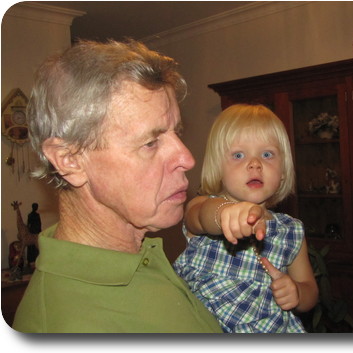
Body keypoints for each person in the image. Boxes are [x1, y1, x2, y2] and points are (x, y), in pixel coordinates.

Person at [13, 39, 222, 333]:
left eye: (177, 132)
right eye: (150, 142)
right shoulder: (68, 327)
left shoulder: (139, 251)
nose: (187, 158)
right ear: (70, 159)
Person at [173, 104, 319, 333]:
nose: (254, 164)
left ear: (282, 173)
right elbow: (201, 217)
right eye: (238, 155)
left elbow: (310, 289)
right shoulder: (203, 206)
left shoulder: (291, 231)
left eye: (267, 154)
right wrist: (223, 214)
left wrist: (297, 293)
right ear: (218, 167)